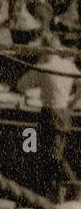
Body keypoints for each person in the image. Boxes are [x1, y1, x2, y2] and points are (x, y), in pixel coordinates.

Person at [19, 48, 81, 201]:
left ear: (44, 51)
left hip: (50, 115)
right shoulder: (67, 66)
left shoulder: (43, 67)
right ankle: (52, 190)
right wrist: (73, 101)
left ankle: (73, 187)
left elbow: (21, 86)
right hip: (64, 113)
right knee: (51, 153)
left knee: (51, 154)